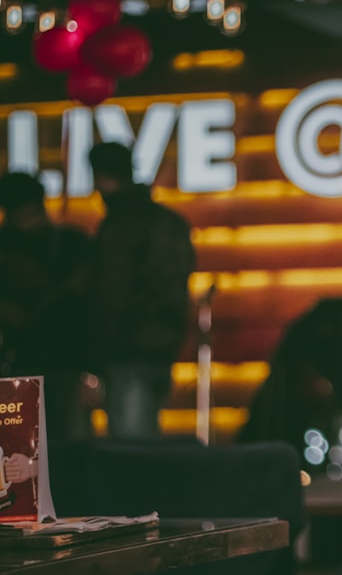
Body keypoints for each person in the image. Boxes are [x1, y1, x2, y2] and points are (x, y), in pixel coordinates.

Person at [88, 142, 197, 439]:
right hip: (161, 348)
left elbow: (114, 293)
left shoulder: (120, 226)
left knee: (131, 454)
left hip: (127, 350)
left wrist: (99, 344)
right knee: (143, 451)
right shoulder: (169, 222)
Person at [0, 171, 93, 442]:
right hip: (31, 361)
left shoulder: (70, 244)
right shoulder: (71, 243)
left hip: (56, 361)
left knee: (32, 452)